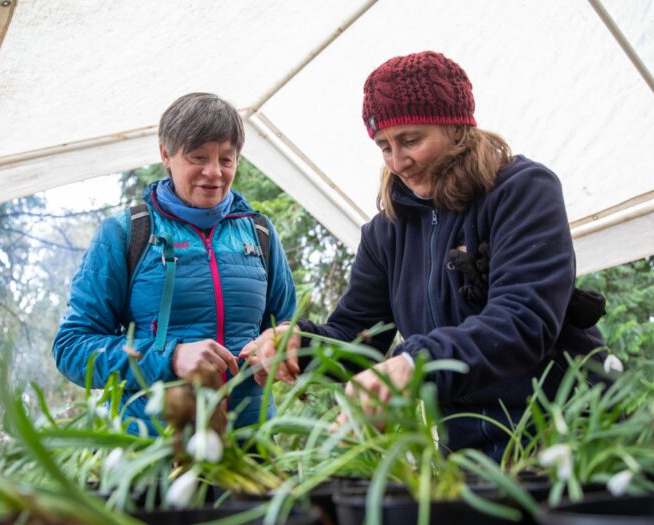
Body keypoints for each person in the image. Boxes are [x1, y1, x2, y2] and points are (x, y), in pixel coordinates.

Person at [241, 51, 607, 460]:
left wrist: (417, 363)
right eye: (384, 147)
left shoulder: (521, 192)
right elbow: (357, 339)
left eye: (411, 140)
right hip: (471, 455)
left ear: (456, 127)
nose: (398, 162)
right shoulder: (386, 233)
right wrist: (300, 344)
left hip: (566, 433)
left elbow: (523, 320)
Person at [54, 93, 297, 435]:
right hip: (152, 445)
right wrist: (169, 358)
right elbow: (72, 348)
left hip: (250, 444)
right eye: (198, 157)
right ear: (166, 154)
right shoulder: (128, 232)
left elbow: (286, 324)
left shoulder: (260, 233)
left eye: (227, 159)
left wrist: (280, 345)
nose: (214, 173)